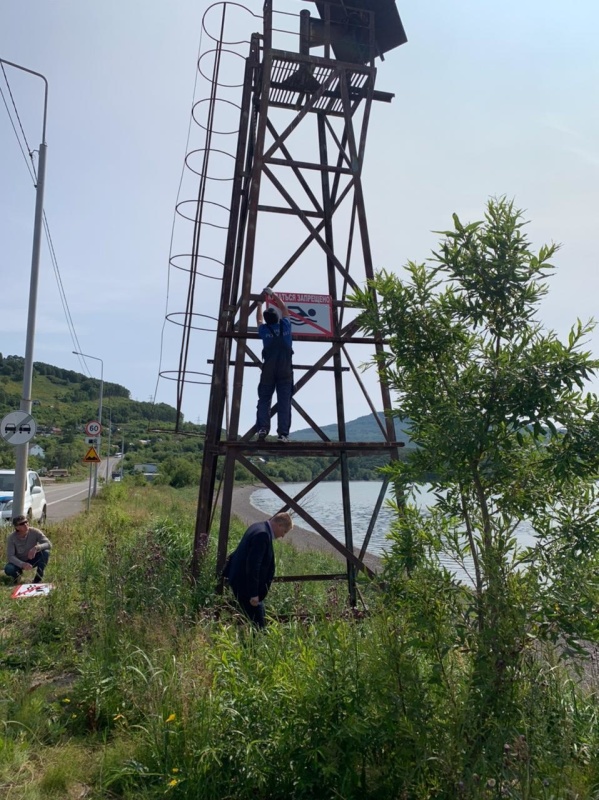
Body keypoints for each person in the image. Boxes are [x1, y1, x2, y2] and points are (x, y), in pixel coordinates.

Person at [224, 512, 293, 628]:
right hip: (246, 587)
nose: (283, 536)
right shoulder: (262, 535)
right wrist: (254, 593)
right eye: (284, 532)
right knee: (259, 626)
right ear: (279, 525)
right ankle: (251, 644)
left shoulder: (258, 527)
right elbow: (253, 565)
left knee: (249, 619)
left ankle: (243, 639)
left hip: (240, 582)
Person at [256, 287, 294, 442]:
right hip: (285, 369)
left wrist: (259, 305)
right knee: (284, 401)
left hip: (268, 370)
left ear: (267, 320)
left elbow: (258, 320)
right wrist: (272, 295)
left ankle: (263, 429)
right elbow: (284, 308)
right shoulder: (285, 326)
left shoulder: (264, 330)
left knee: (264, 399)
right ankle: (283, 434)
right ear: (277, 318)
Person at [4, 515, 52, 585]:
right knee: (9, 569)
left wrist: (36, 548)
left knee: (45, 553)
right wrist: (22, 564)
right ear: (17, 527)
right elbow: (10, 556)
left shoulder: (35, 532)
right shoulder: (11, 538)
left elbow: (48, 544)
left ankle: (38, 578)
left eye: (26, 522)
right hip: (19, 561)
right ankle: (17, 577)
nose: (25, 524)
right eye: (22, 524)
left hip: (33, 558)